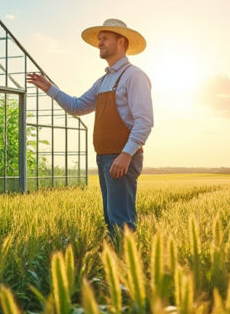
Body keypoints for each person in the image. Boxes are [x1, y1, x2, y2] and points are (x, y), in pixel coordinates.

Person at [27, 18, 153, 237]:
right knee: (111, 220)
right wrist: (49, 88)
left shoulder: (135, 76)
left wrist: (126, 154)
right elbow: (77, 106)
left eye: (105, 38)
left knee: (121, 222)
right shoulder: (102, 81)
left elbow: (144, 121)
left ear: (121, 41)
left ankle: (126, 257)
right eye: (99, 39)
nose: (99, 43)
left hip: (121, 157)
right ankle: (118, 255)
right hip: (104, 157)